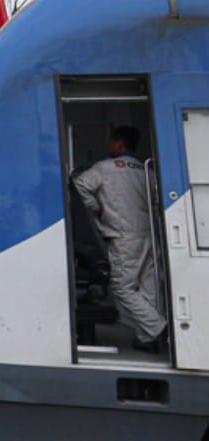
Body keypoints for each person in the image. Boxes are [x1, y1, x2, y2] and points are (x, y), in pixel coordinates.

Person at [73, 125, 168, 352]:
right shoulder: (146, 169)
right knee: (148, 287)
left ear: (119, 144)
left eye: (111, 141)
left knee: (122, 288)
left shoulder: (104, 168)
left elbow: (79, 185)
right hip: (149, 235)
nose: (109, 145)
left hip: (123, 236)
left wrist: (95, 208)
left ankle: (158, 327)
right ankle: (147, 339)